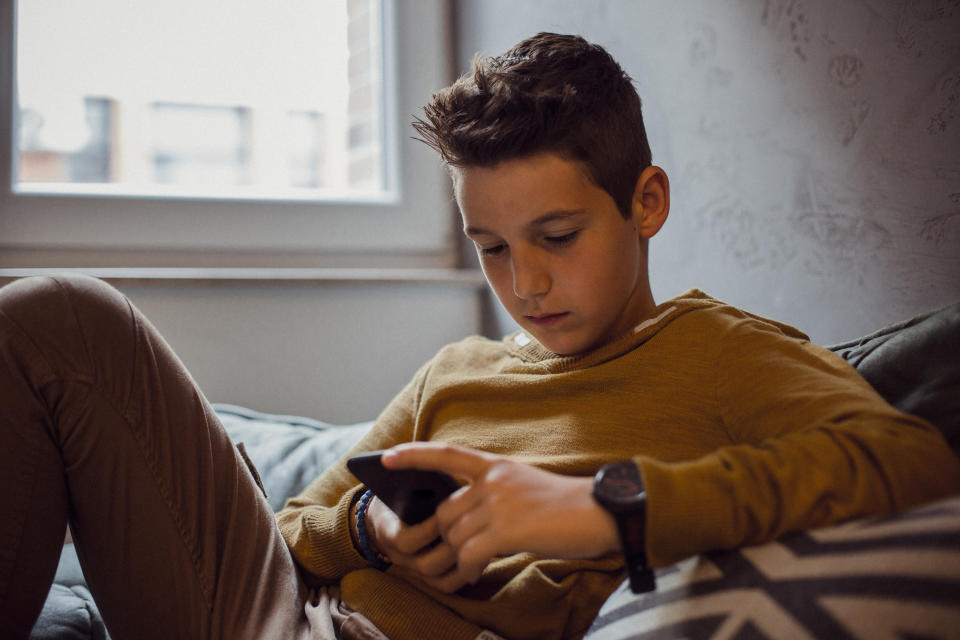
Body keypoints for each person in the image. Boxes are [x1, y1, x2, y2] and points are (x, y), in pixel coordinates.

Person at [1, 33, 958, 640]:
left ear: (647, 202)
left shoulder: (724, 352)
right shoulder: (454, 373)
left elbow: (907, 460)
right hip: (283, 616)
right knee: (45, 318)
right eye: (491, 248)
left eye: (558, 238)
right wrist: (372, 534)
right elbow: (290, 535)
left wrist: (602, 509)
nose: (524, 283)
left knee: (59, 315)